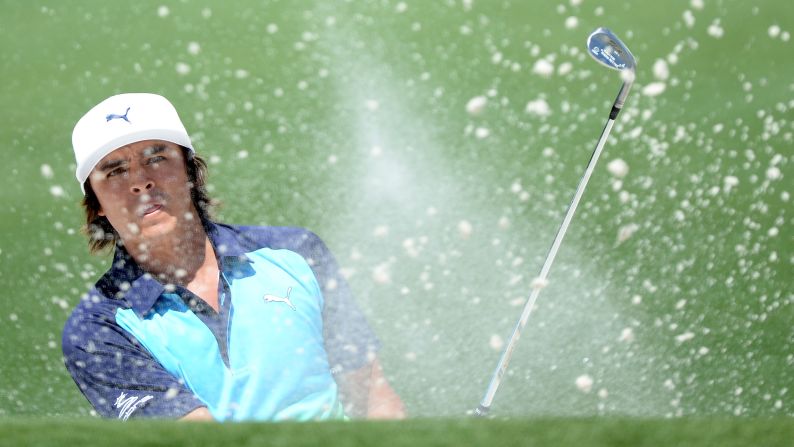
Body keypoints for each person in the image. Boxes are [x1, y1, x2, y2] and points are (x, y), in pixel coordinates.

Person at [61, 93, 405, 421]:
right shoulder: (95, 328)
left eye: (156, 158)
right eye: (115, 171)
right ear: (98, 204)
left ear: (190, 172)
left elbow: (374, 397)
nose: (140, 182)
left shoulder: (297, 252)